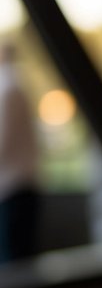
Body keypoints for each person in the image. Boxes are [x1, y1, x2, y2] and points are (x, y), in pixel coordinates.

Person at [0, 41, 39, 262]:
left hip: (12, 189)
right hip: (20, 185)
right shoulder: (15, 87)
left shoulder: (6, 89)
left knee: (13, 261)